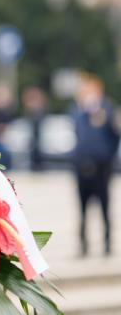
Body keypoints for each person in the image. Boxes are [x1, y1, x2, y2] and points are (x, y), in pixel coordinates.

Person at [69, 73, 119, 257]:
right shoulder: (77, 111)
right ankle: (83, 245)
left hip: (102, 166)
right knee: (82, 208)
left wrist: (108, 156)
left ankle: (107, 244)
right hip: (82, 166)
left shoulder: (107, 109)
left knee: (105, 206)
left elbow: (114, 136)